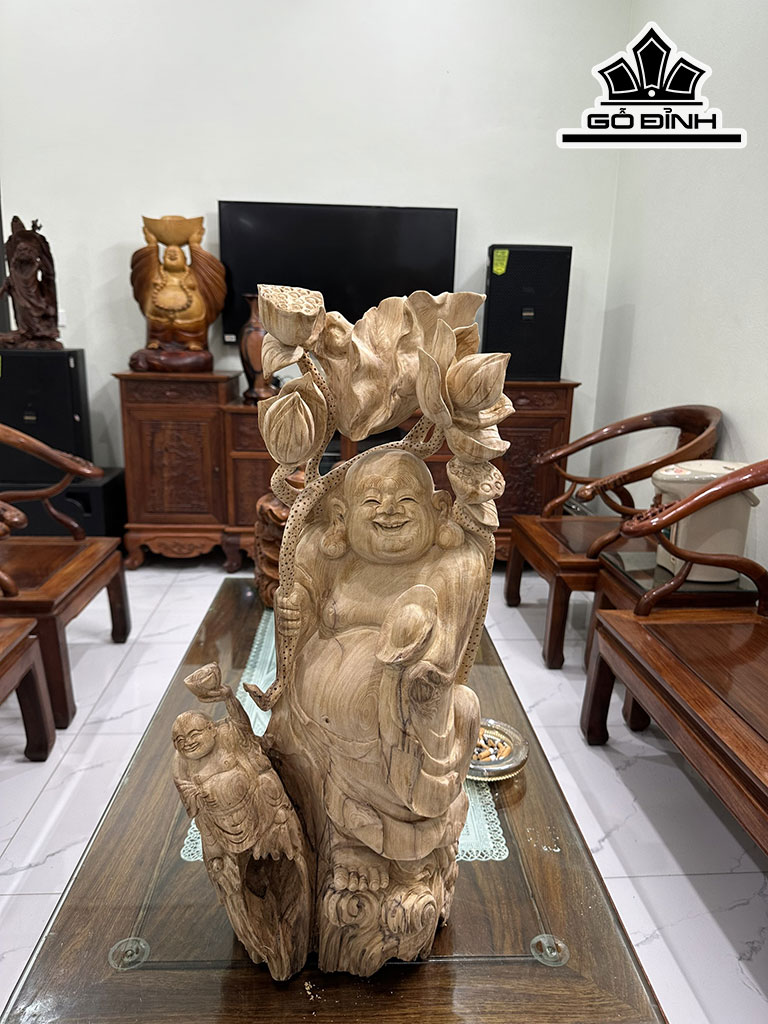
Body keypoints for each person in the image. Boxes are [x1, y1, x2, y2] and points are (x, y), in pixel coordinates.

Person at [264, 450, 485, 917]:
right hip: (321, 728)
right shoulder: (329, 555)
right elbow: (296, 623)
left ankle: (402, 850)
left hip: (399, 726)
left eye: (406, 499)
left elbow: (445, 652)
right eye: (371, 501)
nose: (389, 510)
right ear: (341, 517)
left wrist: (410, 645)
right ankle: (345, 840)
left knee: (419, 719)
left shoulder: (452, 564)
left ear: (437, 509)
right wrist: (294, 616)